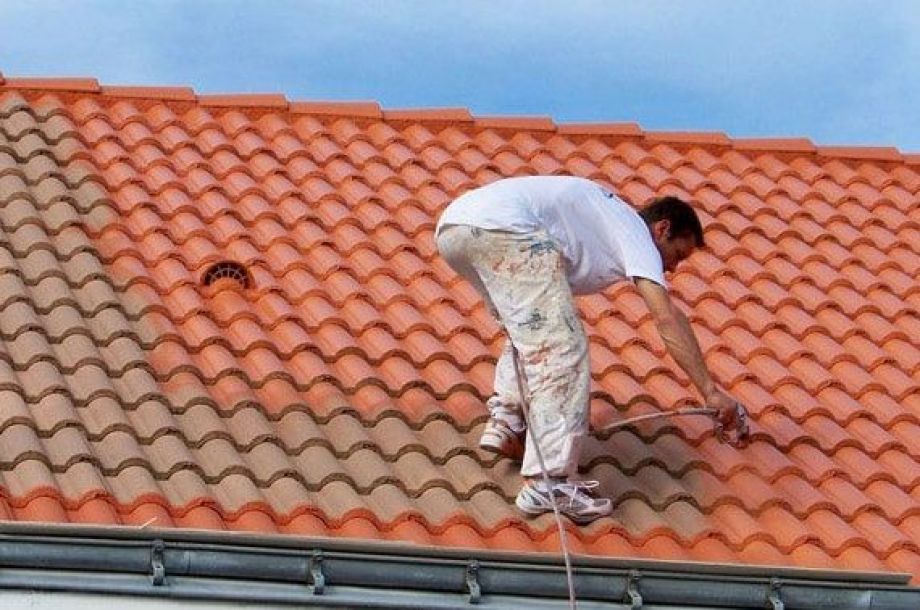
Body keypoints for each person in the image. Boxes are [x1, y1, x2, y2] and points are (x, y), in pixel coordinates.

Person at [435, 175, 742, 524]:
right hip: (504, 228)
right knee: (565, 349)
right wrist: (710, 391)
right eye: (677, 254)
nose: (672, 267)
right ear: (662, 228)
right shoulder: (636, 233)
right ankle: (549, 482)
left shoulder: (607, 219)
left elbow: (674, 314)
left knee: (532, 329)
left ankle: (507, 419)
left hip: (456, 229)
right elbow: (666, 317)